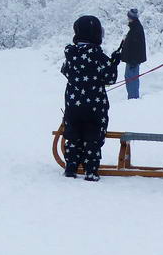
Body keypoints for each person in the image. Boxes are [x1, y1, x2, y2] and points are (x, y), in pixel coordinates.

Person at [61, 16, 122, 181]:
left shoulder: (71, 55)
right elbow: (110, 78)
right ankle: (91, 170)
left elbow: (65, 72)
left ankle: (71, 167)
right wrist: (113, 63)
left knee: (73, 134)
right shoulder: (99, 56)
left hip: (73, 103)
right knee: (93, 136)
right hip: (95, 105)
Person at [120, 9, 146, 99]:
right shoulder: (134, 27)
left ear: (132, 18)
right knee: (129, 78)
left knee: (131, 78)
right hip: (131, 59)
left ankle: (133, 99)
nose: (127, 18)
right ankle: (132, 97)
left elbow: (136, 46)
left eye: (129, 17)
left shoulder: (136, 28)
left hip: (133, 61)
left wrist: (134, 61)